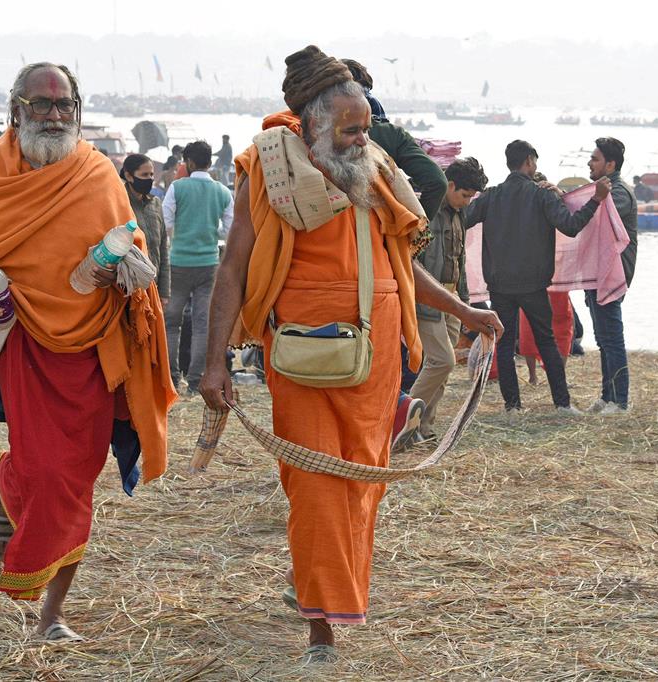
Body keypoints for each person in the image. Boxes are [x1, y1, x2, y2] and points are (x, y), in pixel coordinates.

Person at [199, 45, 502, 664]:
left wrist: (464, 311)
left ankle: (326, 589)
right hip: (300, 357)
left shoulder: (377, 169)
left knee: (364, 484)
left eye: (365, 125)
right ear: (312, 124)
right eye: (349, 128)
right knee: (315, 486)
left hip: (377, 357)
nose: (361, 137)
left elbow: (400, 265)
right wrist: (214, 362)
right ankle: (321, 628)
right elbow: (232, 268)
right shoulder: (267, 168)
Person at [0, 62, 175, 641]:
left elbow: (128, 239)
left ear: (78, 107)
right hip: (19, 340)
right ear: (15, 109)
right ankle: (11, 479)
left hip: (93, 343)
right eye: (40, 104)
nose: (53, 114)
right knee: (48, 471)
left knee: (79, 475)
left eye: (63, 103)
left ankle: (52, 615)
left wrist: (128, 261)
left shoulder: (96, 172)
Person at [342, 58, 449, 451]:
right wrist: (406, 237)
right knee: (387, 342)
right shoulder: (387, 134)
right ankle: (395, 410)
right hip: (380, 255)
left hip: (328, 259)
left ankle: (367, 426)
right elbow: (434, 182)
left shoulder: (305, 132)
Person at [466, 139, 610, 413]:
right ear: (530, 161)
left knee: (505, 345)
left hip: (499, 283)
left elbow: (463, 219)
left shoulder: (491, 196)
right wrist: (595, 200)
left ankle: (513, 406)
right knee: (546, 341)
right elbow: (570, 226)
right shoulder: (542, 195)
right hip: (533, 284)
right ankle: (562, 404)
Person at [410, 157, 488, 442]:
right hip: (427, 297)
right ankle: (401, 419)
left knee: (442, 368)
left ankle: (423, 428)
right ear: (450, 185)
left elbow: (460, 259)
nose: (468, 202)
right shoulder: (425, 210)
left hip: (452, 296)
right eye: (465, 195)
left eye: (471, 197)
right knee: (441, 362)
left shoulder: (459, 214)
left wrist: (465, 304)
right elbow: (412, 261)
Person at [162, 139, 233, 394]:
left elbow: (166, 222)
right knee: (203, 323)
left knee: (172, 323)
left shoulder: (177, 188)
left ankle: (171, 378)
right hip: (208, 264)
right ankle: (194, 381)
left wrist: (174, 241)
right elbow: (229, 230)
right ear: (210, 161)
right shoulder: (222, 192)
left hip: (179, 262)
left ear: (189, 162)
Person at [586, 138, 637, 414]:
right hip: (597, 273)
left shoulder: (618, 193)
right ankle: (608, 396)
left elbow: (599, 218)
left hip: (612, 275)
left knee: (612, 338)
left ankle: (620, 402)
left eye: (595, 159)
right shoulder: (602, 191)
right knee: (602, 337)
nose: (589, 163)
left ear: (610, 164)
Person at [120, 153, 170, 305]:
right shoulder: (119, 203)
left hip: (153, 288)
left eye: (151, 174)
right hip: (127, 290)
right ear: (129, 176)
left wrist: (164, 292)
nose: (149, 179)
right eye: (144, 174)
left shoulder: (155, 204)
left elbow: (163, 249)